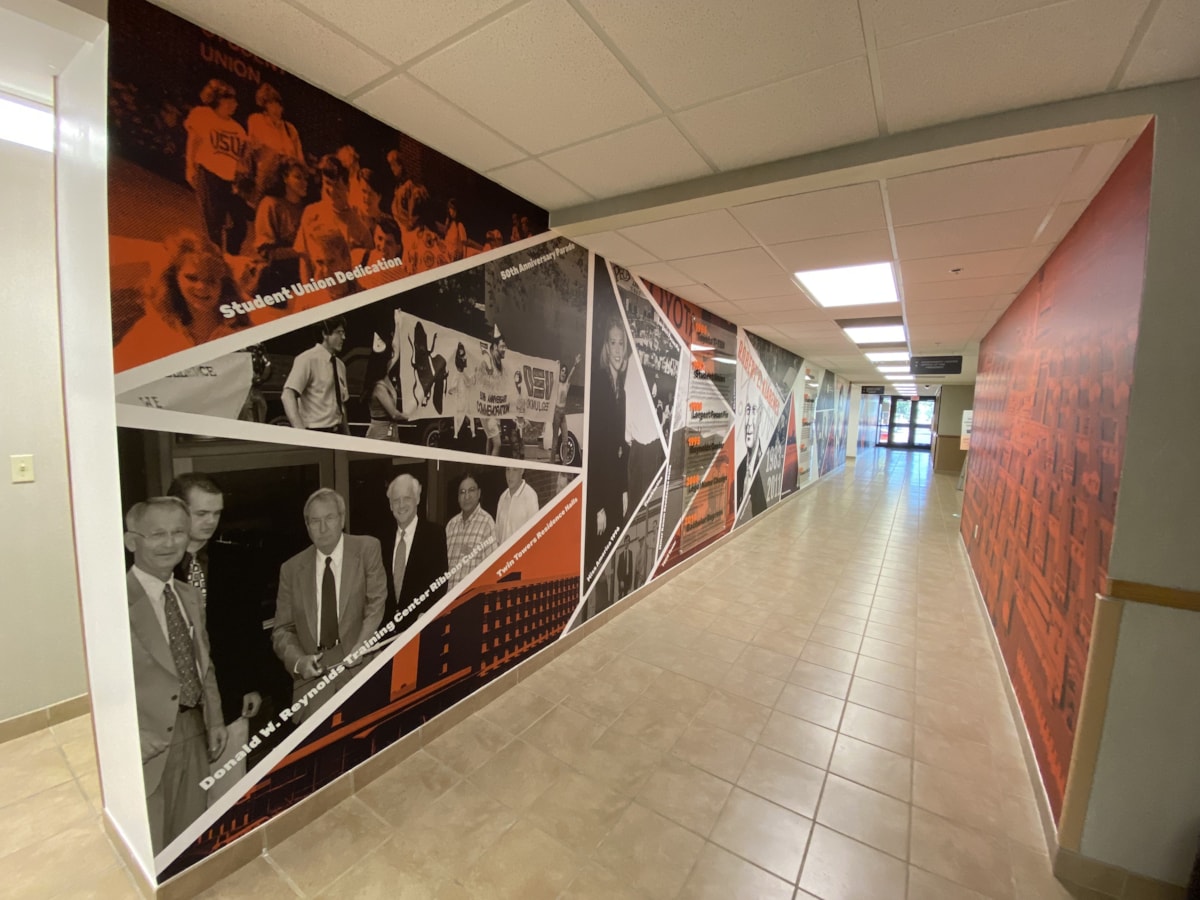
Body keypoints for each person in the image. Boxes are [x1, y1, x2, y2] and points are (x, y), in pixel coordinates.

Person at [124, 496, 226, 854]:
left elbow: (203, 663)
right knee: (149, 846)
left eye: (179, 532)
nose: (170, 543)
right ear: (132, 541)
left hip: (194, 730)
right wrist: (128, 740)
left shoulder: (187, 594)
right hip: (147, 746)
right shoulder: (115, 602)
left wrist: (215, 719)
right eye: (157, 534)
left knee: (191, 839)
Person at [167, 473, 269, 803]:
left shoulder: (237, 562)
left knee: (228, 794)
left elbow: (249, 629)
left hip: (229, 698)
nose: (211, 521)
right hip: (175, 713)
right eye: (202, 513)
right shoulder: (156, 569)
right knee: (183, 804)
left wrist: (252, 684)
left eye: (217, 513)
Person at [272, 489, 386, 722]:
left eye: (330, 518)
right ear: (307, 526)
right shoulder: (291, 569)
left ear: (342, 519)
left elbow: (376, 603)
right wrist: (299, 662)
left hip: (360, 669)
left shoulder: (367, 548)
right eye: (315, 521)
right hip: (314, 682)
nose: (323, 528)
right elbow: (282, 630)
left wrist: (361, 645)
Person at [114, 231, 248, 371]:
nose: (202, 286)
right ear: (174, 279)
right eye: (192, 278)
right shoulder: (154, 327)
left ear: (223, 283)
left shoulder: (240, 325)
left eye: (211, 280)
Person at [185, 79, 250, 255]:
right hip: (208, 174)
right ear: (218, 100)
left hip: (229, 180)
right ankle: (213, 260)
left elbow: (239, 158)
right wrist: (190, 167)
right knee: (213, 224)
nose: (235, 104)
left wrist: (242, 172)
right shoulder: (203, 115)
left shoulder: (237, 128)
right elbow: (194, 141)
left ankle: (230, 256)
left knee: (240, 225)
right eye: (230, 100)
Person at [587, 317, 630, 565]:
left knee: (610, 562)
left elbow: (620, 447)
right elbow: (594, 450)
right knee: (596, 559)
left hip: (614, 489)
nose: (617, 349)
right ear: (606, 347)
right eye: (612, 343)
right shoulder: (598, 384)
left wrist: (623, 490)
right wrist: (597, 506)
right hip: (600, 494)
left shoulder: (620, 391)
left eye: (621, 343)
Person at [294, 154, 372, 284]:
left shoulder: (359, 221)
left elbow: (370, 264)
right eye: (327, 184)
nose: (332, 191)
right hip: (318, 287)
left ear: (348, 186)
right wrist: (308, 291)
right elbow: (304, 259)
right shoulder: (311, 214)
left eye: (337, 186)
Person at [384, 474, 449, 623]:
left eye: (407, 498)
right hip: (386, 631)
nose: (401, 505)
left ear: (417, 499)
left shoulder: (435, 535)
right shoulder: (382, 539)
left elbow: (440, 584)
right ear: (390, 505)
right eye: (396, 500)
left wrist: (426, 617)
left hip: (420, 627)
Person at [282, 317, 349, 433]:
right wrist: (300, 431)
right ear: (325, 334)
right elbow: (287, 395)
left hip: (337, 432)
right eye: (339, 332)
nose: (343, 337)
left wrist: (347, 434)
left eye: (343, 333)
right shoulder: (307, 359)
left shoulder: (340, 365)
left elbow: (341, 405)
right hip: (316, 430)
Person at [253, 156, 307, 297]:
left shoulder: (307, 208)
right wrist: (300, 252)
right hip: (279, 280)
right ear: (284, 178)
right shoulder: (270, 205)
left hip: (306, 275)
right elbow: (266, 251)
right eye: (298, 177)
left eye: (305, 178)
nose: (304, 182)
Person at [444, 473, 496, 588]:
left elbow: (492, 569)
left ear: (479, 493)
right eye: (462, 492)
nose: (466, 496)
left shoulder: (487, 523)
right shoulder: (451, 526)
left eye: (471, 490)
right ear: (458, 498)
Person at [362, 348, 404, 440]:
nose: (391, 361)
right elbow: (394, 414)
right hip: (380, 434)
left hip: (391, 431)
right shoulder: (379, 387)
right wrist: (409, 415)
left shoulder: (386, 379)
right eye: (389, 358)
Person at [477, 330, 507, 456]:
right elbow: (479, 378)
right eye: (502, 346)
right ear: (495, 347)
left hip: (495, 410)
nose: (504, 349)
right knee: (497, 443)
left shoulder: (500, 365)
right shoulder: (487, 361)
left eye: (505, 347)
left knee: (490, 439)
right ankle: (492, 466)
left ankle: (486, 463)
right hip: (487, 410)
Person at [495, 467, 539, 544]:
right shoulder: (502, 497)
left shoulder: (530, 495)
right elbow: (497, 536)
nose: (510, 475)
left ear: (522, 470)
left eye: (515, 470)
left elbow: (534, 534)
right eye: (508, 470)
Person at [358, 216, 404, 290]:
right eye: (379, 238)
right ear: (374, 237)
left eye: (389, 243)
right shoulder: (362, 258)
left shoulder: (402, 276)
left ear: (398, 249)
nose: (383, 246)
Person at [552, 354, 581, 463]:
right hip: (556, 413)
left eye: (565, 372)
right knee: (555, 441)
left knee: (565, 440)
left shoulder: (566, 384)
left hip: (563, 414)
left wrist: (575, 364)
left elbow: (571, 375)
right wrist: (556, 366)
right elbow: (554, 374)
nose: (563, 373)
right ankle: (551, 463)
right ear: (560, 372)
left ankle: (564, 465)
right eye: (562, 371)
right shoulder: (556, 383)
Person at [447, 342, 476, 441]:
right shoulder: (457, 375)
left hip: (465, 402)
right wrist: (452, 390)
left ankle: (469, 432)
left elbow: (469, 382)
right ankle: (457, 434)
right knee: (459, 418)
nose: (464, 358)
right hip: (460, 402)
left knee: (469, 417)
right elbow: (453, 387)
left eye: (464, 356)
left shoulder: (463, 374)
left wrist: (474, 374)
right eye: (462, 356)